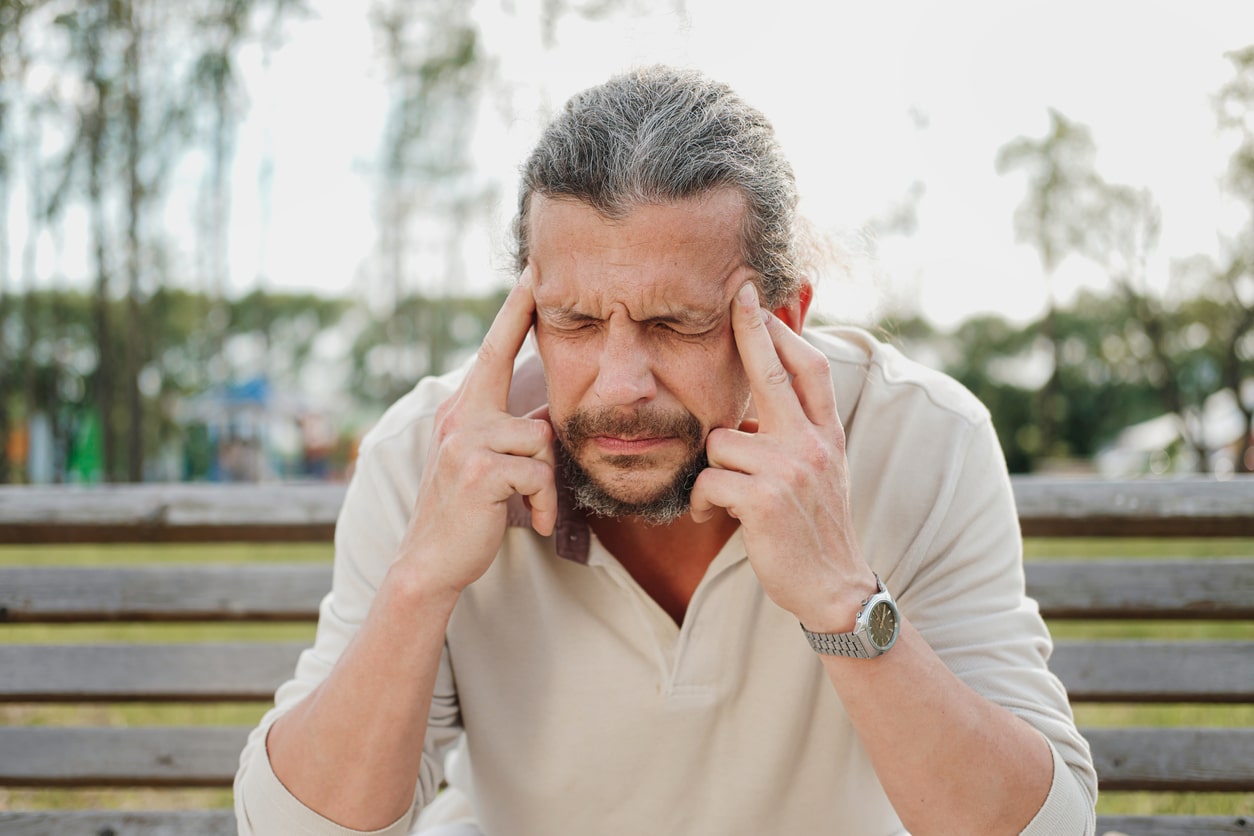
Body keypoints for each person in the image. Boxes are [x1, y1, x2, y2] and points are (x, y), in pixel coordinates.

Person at [235, 65, 1097, 835]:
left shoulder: (925, 437)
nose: (618, 385)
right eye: (572, 321)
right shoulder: (429, 454)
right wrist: (420, 582)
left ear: (785, 319)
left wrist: (840, 598)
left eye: (675, 324)